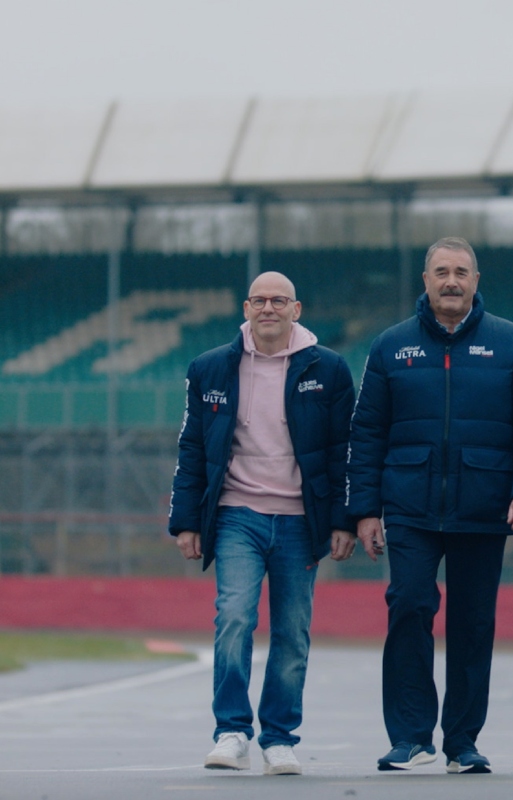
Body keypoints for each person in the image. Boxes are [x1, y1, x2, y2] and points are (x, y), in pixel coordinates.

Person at [346, 236, 513, 775]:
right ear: (426, 280)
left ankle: (462, 741)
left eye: (461, 271)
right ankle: (411, 737)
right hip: (410, 507)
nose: (451, 281)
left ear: (476, 280)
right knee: (410, 605)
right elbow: (367, 433)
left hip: (485, 508)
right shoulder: (391, 348)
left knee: (472, 623)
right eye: (441, 271)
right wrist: (365, 510)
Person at [169, 271, 356, 776]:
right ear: (246, 308)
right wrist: (185, 521)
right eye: (259, 300)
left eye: (279, 300)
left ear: (297, 310)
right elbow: (192, 449)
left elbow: (344, 452)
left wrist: (344, 520)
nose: (268, 308)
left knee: (293, 632)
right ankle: (231, 732)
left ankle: (280, 738)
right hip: (237, 515)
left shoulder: (330, 370)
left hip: (301, 520)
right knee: (234, 618)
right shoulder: (210, 369)